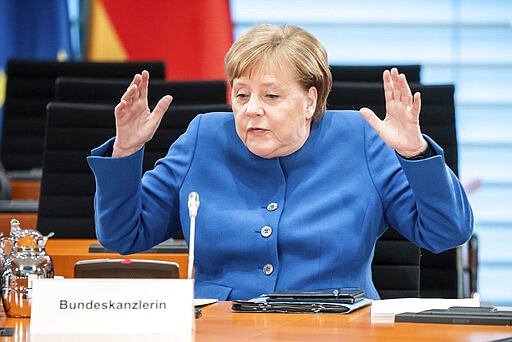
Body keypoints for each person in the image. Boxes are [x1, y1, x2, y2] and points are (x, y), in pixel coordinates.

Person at [87, 24, 473, 301]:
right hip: (222, 327)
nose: (251, 110)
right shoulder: (203, 138)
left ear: (309, 100)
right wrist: (125, 152)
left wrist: (414, 153)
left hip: (333, 327)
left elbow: (445, 233)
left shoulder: (360, 140)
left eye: (271, 96)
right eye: (241, 95)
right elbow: (124, 235)